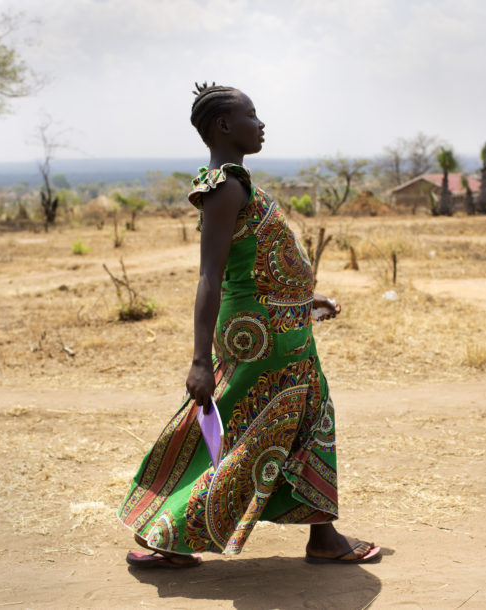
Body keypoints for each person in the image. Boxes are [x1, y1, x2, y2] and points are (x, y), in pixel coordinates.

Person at [118, 82, 380, 568]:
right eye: (252, 116)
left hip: (278, 328)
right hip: (263, 340)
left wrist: (303, 298)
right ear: (223, 126)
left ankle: (323, 537)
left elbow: (253, 261)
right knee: (251, 433)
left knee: (303, 420)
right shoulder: (225, 187)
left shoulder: (234, 182)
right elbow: (211, 275)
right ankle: (171, 532)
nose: (261, 125)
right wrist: (198, 360)